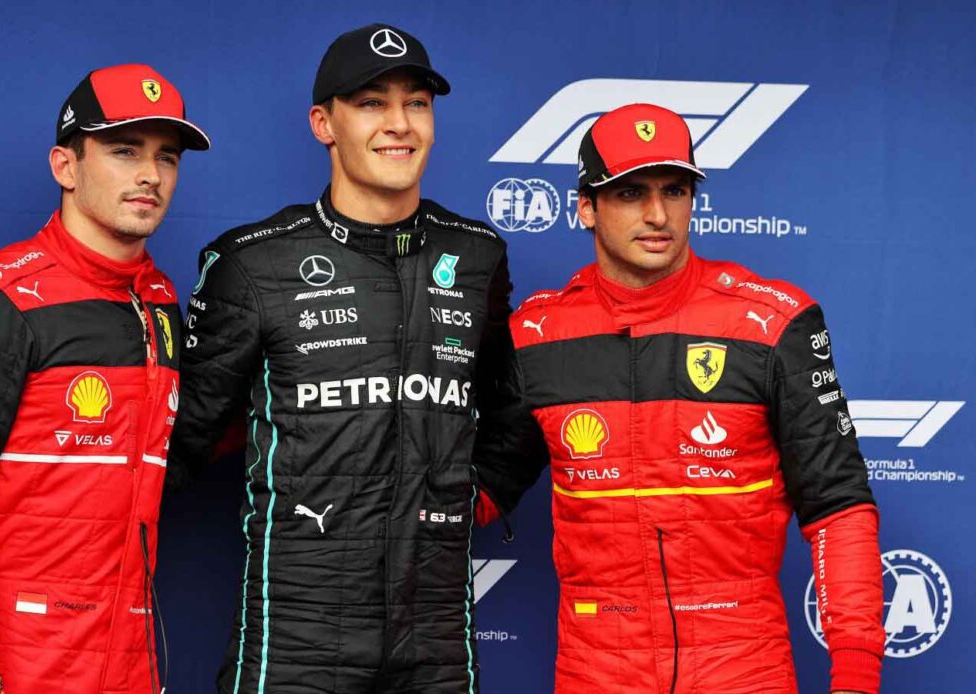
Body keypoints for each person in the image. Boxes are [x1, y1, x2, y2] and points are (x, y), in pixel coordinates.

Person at [169, 23, 543, 694]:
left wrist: (464, 498)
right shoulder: (252, 262)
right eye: (372, 102)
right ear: (324, 123)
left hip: (434, 637)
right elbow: (182, 436)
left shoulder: (478, 253)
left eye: (418, 103)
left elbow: (512, 407)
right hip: (294, 638)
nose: (400, 124)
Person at [489, 103, 884, 693]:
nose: (657, 214)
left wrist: (855, 674)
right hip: (597, 670)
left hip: (743, 666)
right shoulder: (536, 337)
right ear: (586, 207)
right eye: (629, 193)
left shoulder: (774, 323)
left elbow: (839, 509)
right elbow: (480, 490)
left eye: (674, 190)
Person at [0, 63, 209, 694]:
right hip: (16, 663)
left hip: (128, 657)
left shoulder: (159, 300)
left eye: (166, 157)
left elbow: (175, 448)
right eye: (124, 151)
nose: (150, 174)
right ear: (66, 166)